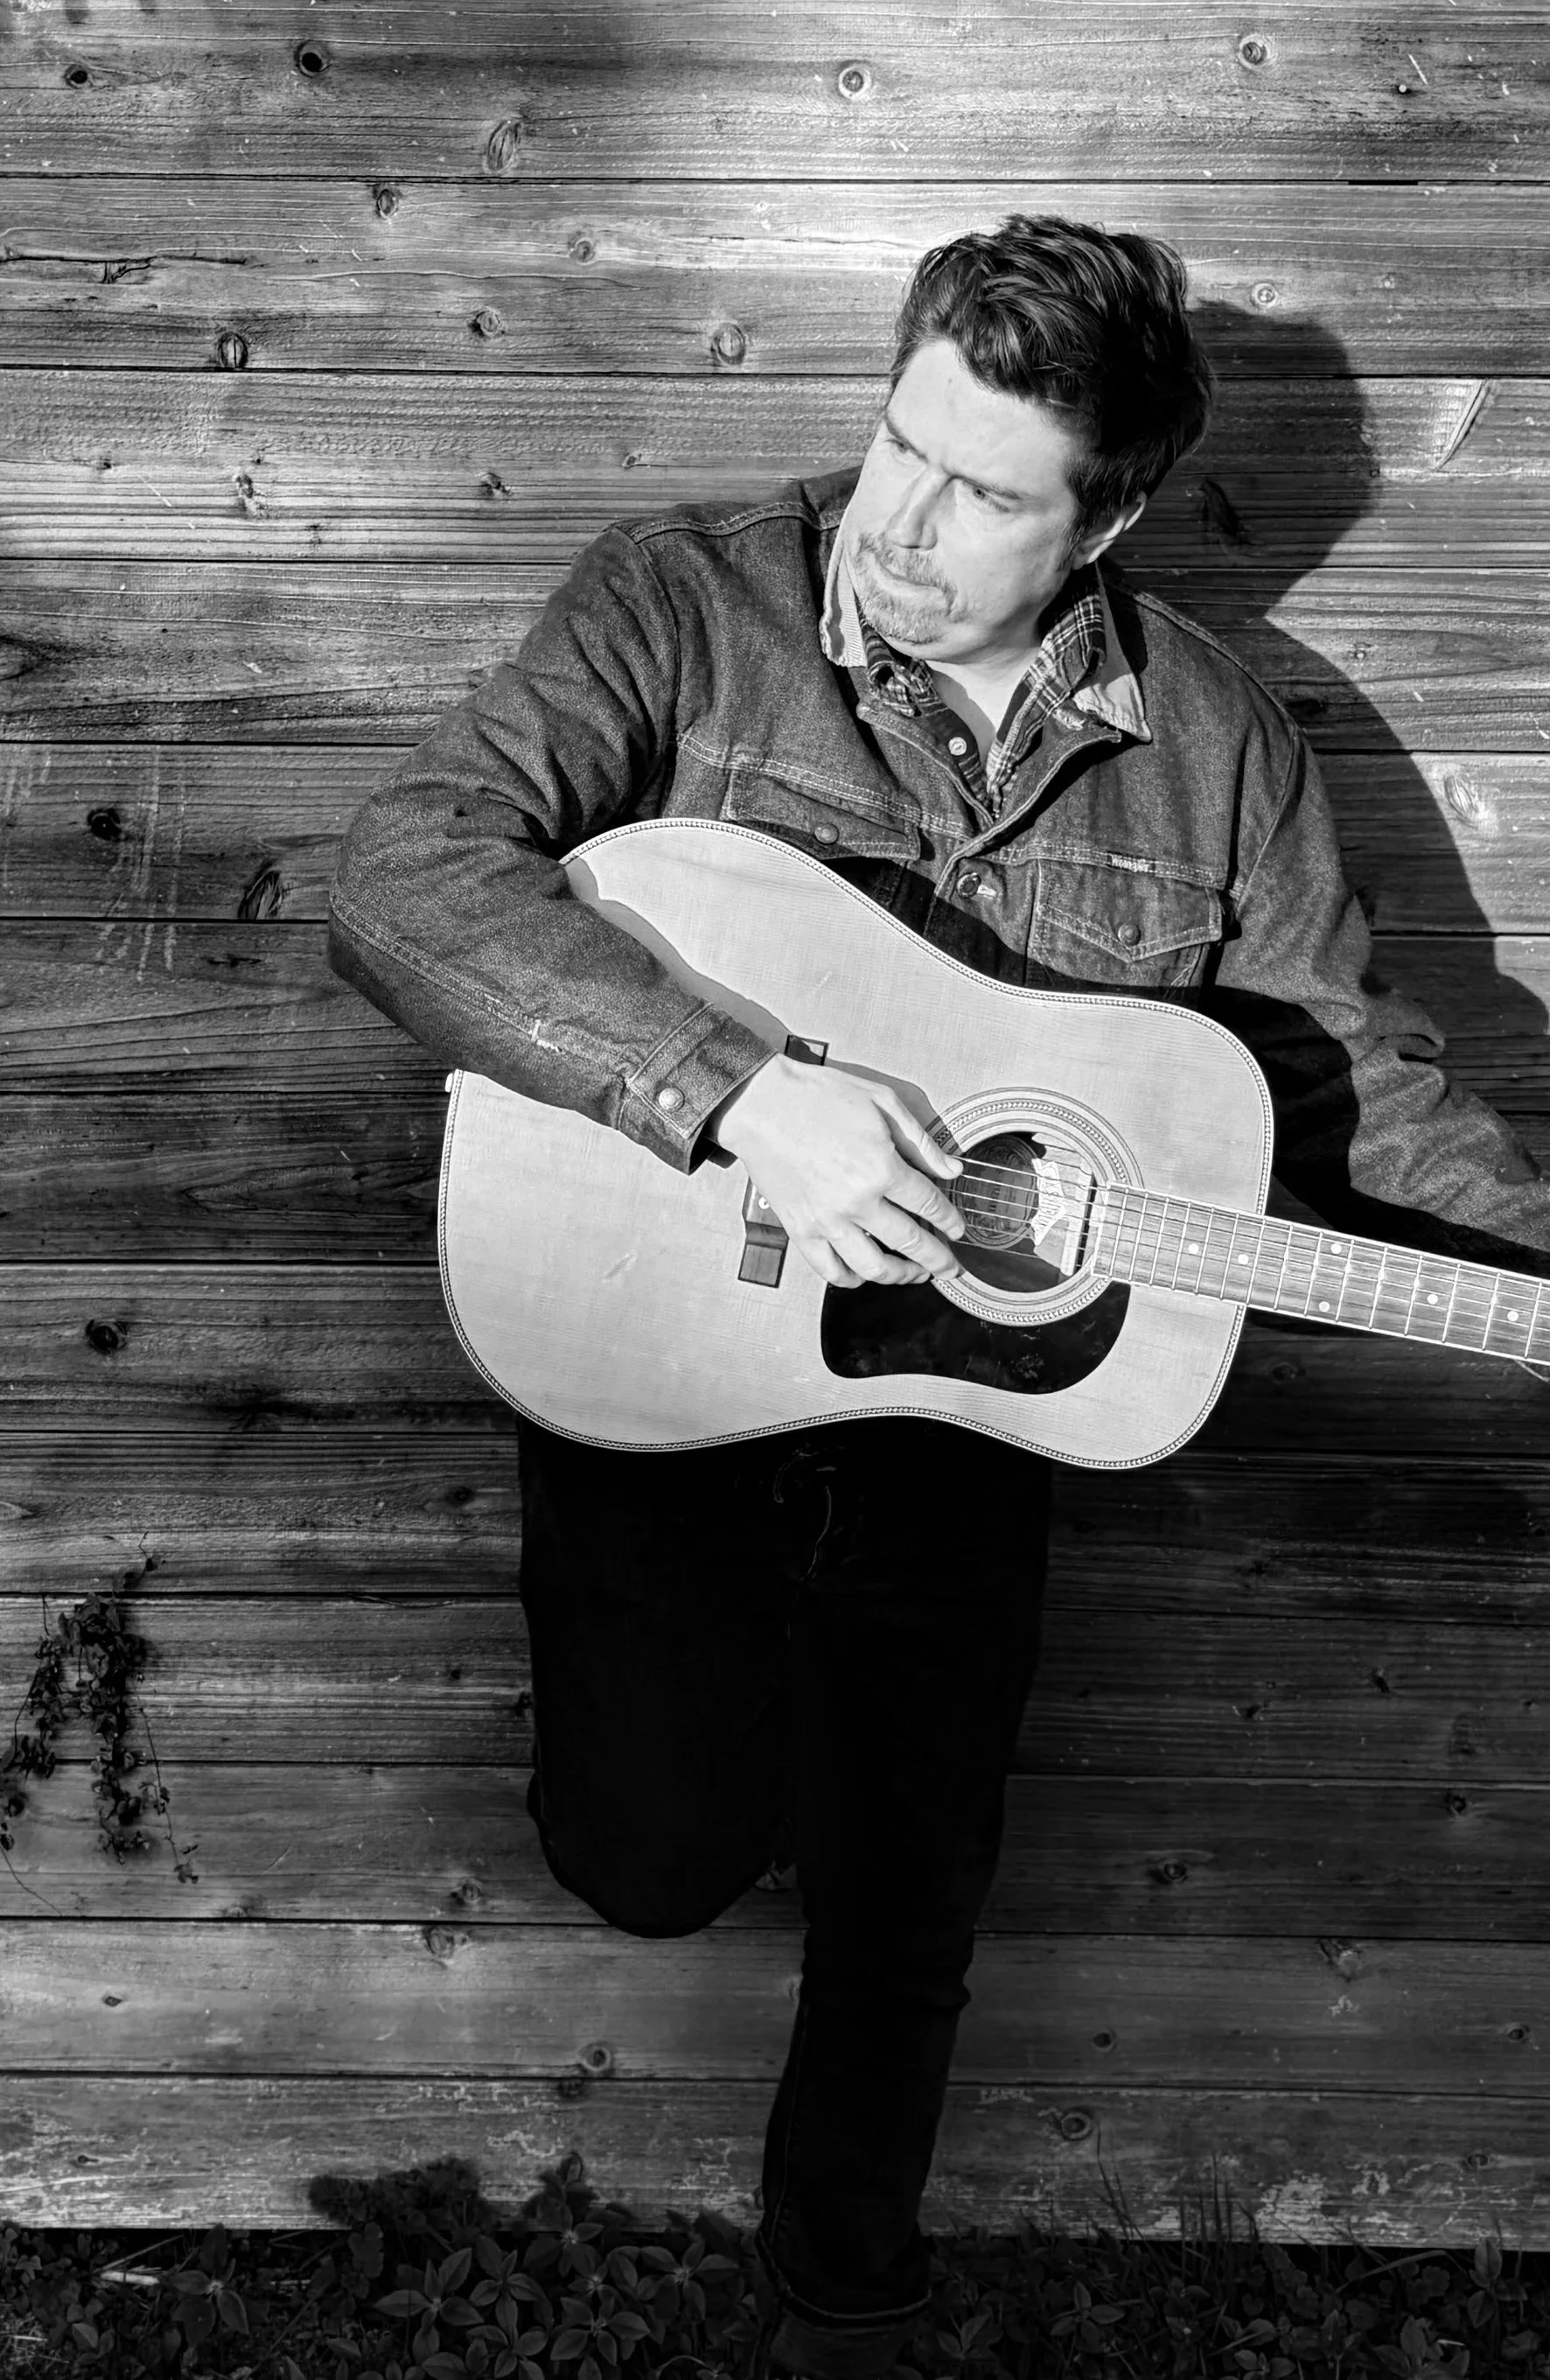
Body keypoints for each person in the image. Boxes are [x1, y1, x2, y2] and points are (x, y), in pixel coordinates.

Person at [325, 216, 1550, 2380]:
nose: (898, 520)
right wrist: (738, 1097)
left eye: (982, 493)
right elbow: (403, 875)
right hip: (655, 1353)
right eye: (897, 442)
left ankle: (845, 2291)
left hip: (976, 1401)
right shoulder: (681, 606)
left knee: (912, 1904)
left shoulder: (1214, 742)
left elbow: (1353, 1098)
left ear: (1111, 516)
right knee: (653, 1848)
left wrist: (1530, 1289)